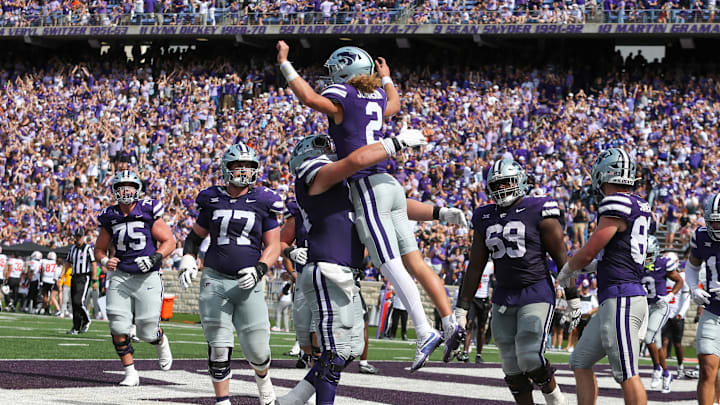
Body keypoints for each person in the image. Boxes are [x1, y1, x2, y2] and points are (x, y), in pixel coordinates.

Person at [276, 40, 466, 371]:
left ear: (345, 71)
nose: (330, 79)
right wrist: (388, 78)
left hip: (366, 182)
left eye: (334, 72)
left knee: (389, 263)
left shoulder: (344, 98)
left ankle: (424, 330)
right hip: (390, 184)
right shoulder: (375, 95)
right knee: (412, 262)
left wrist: (284, 64)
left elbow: (307, 98)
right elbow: (392, 104)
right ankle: (445, 324)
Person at [279, 132, 459, 404]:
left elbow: (392, 205)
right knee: (332, 352)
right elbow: (351, 162)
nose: (333, 153)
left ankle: (292, 399)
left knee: (348, 351)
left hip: (345, 272)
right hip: (326, 269)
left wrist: (438, 213)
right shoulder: (314, 178)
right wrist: (392, 144)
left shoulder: (344, 184)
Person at [454, 159, 574, 405]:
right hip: (503, 294)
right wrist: (461, 307)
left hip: (536, 289)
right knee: (510, 365)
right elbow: (475, 265)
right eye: (497, 184)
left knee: (530, 356)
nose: (502, 188)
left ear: (520, 180)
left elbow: (561, 257)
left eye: (507, 182)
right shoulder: (484, 215)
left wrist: (572, 297)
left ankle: (555, 399)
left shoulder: (539, 207)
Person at [177, 143, 283, 405]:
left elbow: (274, 245)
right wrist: (188, 257)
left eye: (247, 166)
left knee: (258, 350)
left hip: (250, 282)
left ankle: (262, 379)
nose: (243, 171)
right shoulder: (212, 198)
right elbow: (194, 237)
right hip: (215, 277)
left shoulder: (264, 200)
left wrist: (260, 269)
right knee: (218, 344)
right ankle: (222, 400)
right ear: (227, 168)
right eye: (238, 165)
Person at [558, 148, 650, 405]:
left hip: (623, 298)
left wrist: (567, 271)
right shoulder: (639, 203)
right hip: (620, 296)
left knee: (626, 373)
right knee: (580, 360)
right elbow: (615, 256)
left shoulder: (616, 202)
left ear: (604, 173)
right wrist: (589, 266)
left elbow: (589, 251)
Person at [94, 170, 176, 386]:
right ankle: (130, 372)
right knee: (118, 326)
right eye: (121, 187)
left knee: (147, 331)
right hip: (121, 276)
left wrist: (154, 258)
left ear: (137, 189)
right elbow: (99, 250)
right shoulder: (109, 216)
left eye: (130, 186)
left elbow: (170, 241)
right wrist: (104, 262)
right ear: (114, 191)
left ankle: (160, 340)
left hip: (148, 276)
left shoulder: (148, 210)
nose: (125, 191)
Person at [684, 192, 720, 405]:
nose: (716, 227)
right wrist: (693, 288)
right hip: (713, 309)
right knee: (707, 368)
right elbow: (691, 265)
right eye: (714, 222)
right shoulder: (701, 235)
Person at [641, 235, 683, 393]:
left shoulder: (663, 263)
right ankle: (666, 374)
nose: (646, 258)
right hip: (645, 307)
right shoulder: (637, 264)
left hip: (660, 307)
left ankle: (657, 368)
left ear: (656, 252)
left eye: (649, 254)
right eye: (644, 254)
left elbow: (679, 281)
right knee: (657, 345)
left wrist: (670, 295)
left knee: (648, 337)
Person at [661, 252, 690, 379]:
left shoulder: (682, 277)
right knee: (663, 342)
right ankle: (663, 369)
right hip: (665, 313)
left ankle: (680, 367)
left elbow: (686, 298)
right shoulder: (663, 275)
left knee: (677, 344)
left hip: (677, 314)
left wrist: (681, 313)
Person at [458, 260, 493, 363]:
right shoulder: (469, 263)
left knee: (481, 329)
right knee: (468, 325)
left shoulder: (491, 265)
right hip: (473, 298)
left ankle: (478, 354)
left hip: (484, 299)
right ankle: (465, 352)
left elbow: (495, 281)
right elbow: (464, 281)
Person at [64, 228, 97, 334]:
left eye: (79, 236)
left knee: (79, 301)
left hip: (84, 277)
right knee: (74, 303)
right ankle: (76, 327)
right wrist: (61, 275)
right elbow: (68, 263)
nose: (78, 238)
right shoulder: (72, 248)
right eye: (76, 236)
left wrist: (94, 278)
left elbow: (93, 263)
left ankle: (86, 320)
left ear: (83, 237)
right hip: (74, 276)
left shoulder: (88, 248)